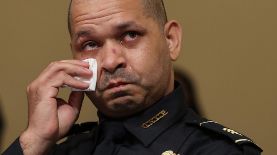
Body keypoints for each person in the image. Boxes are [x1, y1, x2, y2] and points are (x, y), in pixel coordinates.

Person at [3, 0, 262, 154]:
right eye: (91, 44)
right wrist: (34, 140)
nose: (111, 60)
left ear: (170, 40)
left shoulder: (219, 151)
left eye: (130, 35)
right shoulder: (62, 150)